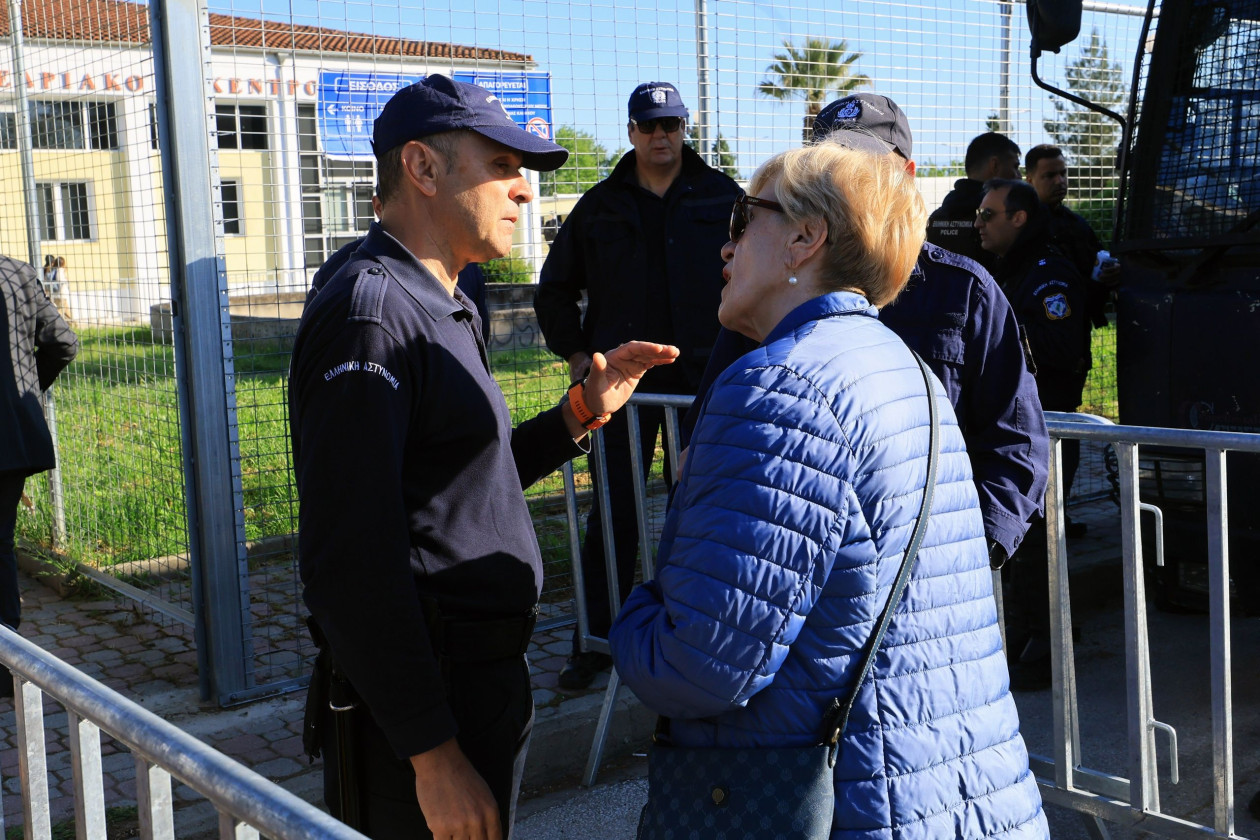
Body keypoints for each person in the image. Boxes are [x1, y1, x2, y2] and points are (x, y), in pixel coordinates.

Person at [610, 142, 1049, 839]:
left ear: (804, 240)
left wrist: (630, 617)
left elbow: (702, 663)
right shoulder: (904, 369)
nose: (725, 249)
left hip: (858, 803)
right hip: (951, 790)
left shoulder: (779, 386)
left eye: (741, 222)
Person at [288, 74, 678, 839]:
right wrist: (432, 757)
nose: (524, 191)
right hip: (426, 703)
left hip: (479, 681)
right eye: (501, 165)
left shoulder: (448, 300)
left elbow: (462, 475)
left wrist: (577, 415)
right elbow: (350, 561)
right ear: (422, 169)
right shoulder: (372, 319)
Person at [684, 93, 1048, 573]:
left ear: (907, 178)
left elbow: (1016, 442)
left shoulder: (965, 292)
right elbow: (706, 439)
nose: (849, 187)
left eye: (866, 171)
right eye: (830, 171)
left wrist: (968, 554)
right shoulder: (775, 290)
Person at [533, 81, 741, 689]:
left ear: (683, 130)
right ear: (631, 132)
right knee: (614, 510)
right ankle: (596, 642)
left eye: (671, 125)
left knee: (705, 505)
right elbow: (553, 289)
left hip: (706, 380)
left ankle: (696, 631)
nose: (661, 137)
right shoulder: (600, 206)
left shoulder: (723, 197)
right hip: (622, 387)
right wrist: (576, 355)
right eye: (649, 126)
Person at [976, 178, 1090, 690]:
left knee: (1042, 539)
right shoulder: (1011, 269)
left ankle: (1048, 645)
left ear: (1018, 218)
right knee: (1023, 542)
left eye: (988, 215)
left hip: (1048, 428)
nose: (978, 223)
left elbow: (1062, 352)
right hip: (1021, 430)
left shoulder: (1047, 274)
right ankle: (1027, 634)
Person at [1, 255, 79, 694]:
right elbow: (63, 342)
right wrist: (25, 393)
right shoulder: (16, 273)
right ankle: (6, 666)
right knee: (0, 546)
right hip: (10, 437)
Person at [928, 131, 1023, 273]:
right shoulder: (1003, 219)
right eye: (1015, 167)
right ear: (995, 165)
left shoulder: (936, 219)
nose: (1019, 176)